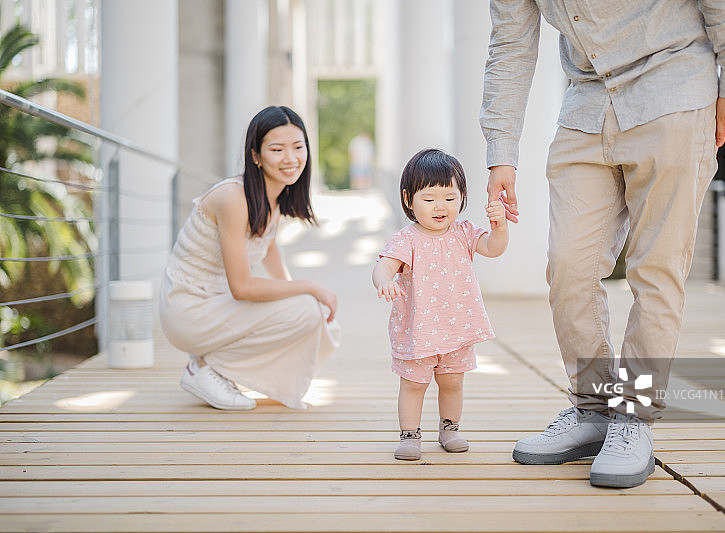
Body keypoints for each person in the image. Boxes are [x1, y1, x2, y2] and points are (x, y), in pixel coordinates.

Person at [480, 1, 725, 488]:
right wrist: (500, 153)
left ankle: (632, 416)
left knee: (655, 269)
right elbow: (510, 44)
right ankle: (593, 409)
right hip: (587, 104)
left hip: (674, 86)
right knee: (569, 265)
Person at [160, 106, 340, 411]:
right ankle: (205, 368)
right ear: (255, 155)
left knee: (312, 317)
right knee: (306, 309)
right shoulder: (233, 197)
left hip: (215, 305)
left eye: (298, 147)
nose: (290, 158)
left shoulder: (273, 195)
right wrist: (308, 288)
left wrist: (294, 300)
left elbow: (267, 246)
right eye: (277, 149)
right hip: (188, 310)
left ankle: (214, 367)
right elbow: (242, 288)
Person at [372, 148, 509, 461]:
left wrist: (500, 227)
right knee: (413, 385)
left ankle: (450, 429)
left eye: (450, 198)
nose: (441, 207)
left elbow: (492, 248)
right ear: (408, 199)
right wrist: (384, 282)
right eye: (429, 198)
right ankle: (409, 435)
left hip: (457, 328)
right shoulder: (406, 238)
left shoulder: (463, 232)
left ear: (461, 196)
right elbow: (384, 266)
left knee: (452, 382)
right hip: (417, 330)